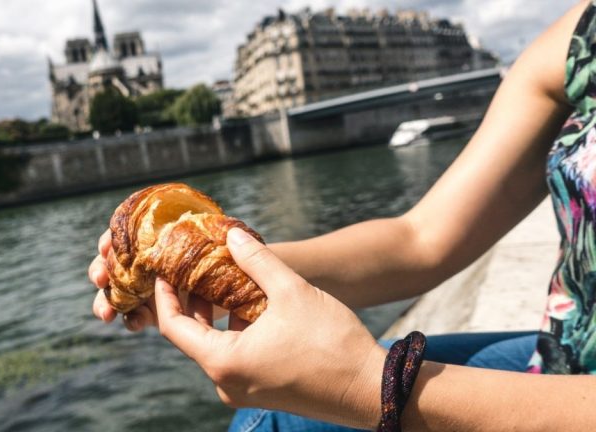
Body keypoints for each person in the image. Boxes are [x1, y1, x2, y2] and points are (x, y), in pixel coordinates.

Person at [89, 1, 596, 429]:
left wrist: (365, 385)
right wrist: (227, 272)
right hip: (566, 353)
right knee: (270, 416)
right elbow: (421, 240)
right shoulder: (576, 37)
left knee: (272, 420)